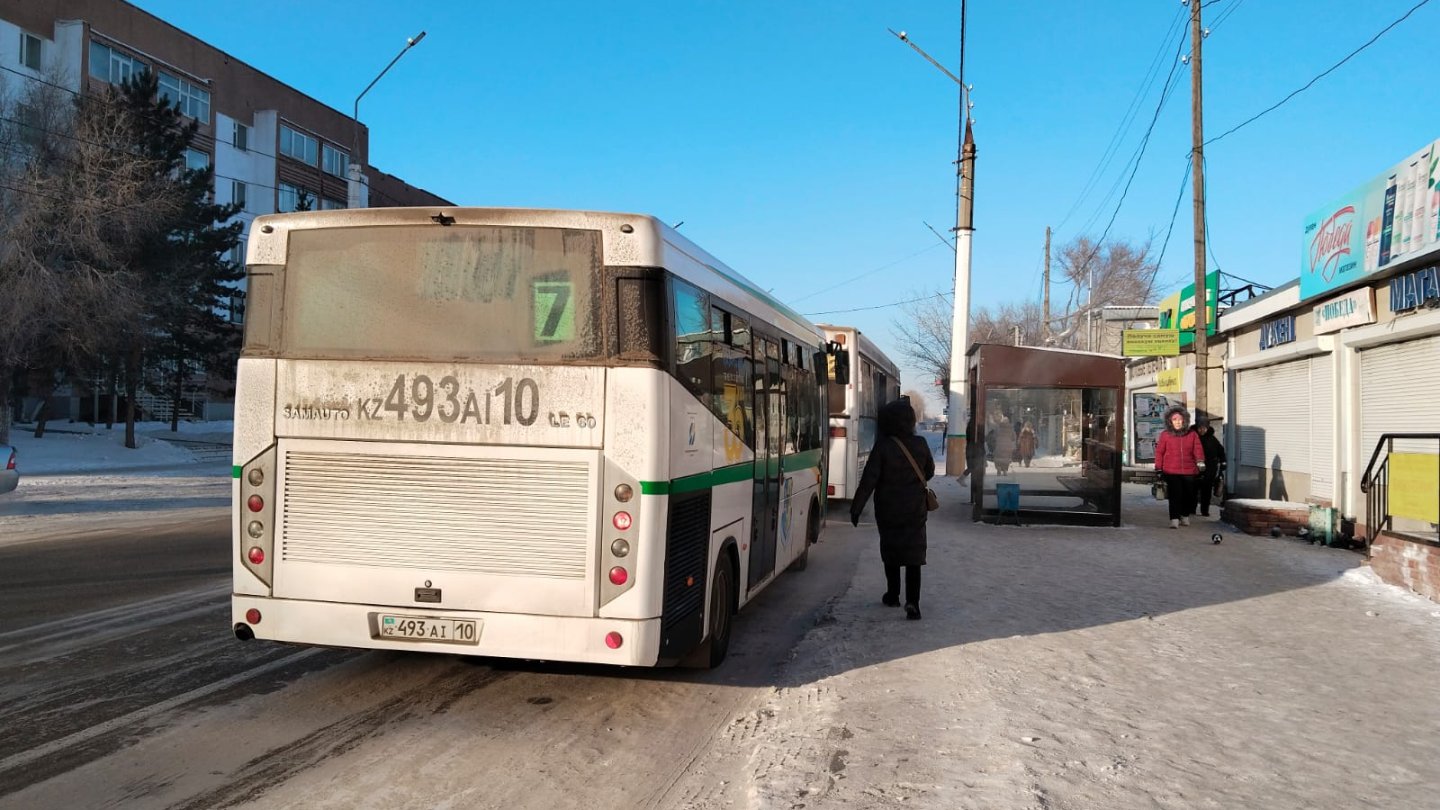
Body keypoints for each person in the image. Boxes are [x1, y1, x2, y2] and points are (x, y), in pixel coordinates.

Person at [851, 398, 935, 620]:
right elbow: (930, 472)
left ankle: (893, 594)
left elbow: (869, 480)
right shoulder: (921, 444)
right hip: (915, 509)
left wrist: (856, 508)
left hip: (888, 509)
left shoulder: (883, 447)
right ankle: (913, 603)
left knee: (891, 552)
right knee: (914, 555)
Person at [1154, 406, 1204, 529]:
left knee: (1189, 495)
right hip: (1171, 470)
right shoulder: (1165, 435)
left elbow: (1198, 449)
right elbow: (1160, 452)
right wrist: (1158, 468)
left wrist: (1200, 461)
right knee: (1175, 495)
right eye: (1174, 419)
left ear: (1184, 420)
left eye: (1179, 419)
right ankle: (1174, 519)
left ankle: (1185, 515)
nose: (1177, 422)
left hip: (1189, 470)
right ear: (1170, 421)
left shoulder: (1192, 434)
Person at [1193, 420, 1226, 517]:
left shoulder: (1212, 439)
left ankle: (1205, 510)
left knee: (1206, 491)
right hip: (1194, 468)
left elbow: (1221, 452)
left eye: (1204, 428)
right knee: (1192, 490)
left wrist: (1223, 462)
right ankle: (1191, 509)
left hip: (1210, 468)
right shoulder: (1192, 437)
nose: (1202, 430)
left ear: (1207, 428)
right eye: (1200, 428)